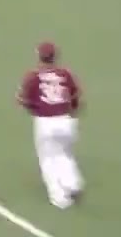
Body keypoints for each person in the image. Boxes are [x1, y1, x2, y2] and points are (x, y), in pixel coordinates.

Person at [17, 41, 84, 209]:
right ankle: (73, 183)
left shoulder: (33, 77)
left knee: (48, 159)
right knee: (64, 154)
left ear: (39, 56)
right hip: (67, 120)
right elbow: (76, 95)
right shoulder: (65, 74)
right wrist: (73, 112)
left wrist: (34, 110)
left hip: (46, 122)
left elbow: (22, 99)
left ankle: (60, 198)